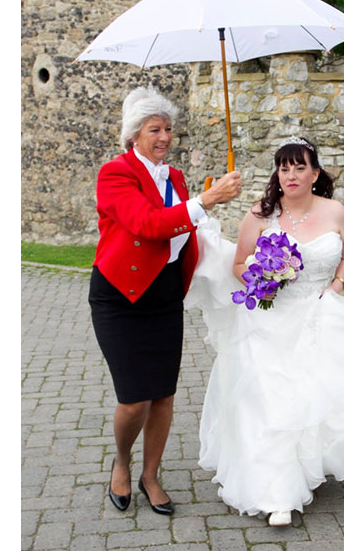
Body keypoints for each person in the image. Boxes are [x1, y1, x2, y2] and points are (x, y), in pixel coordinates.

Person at [185, 137, 344, 527]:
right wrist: (264, 281)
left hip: (321, 315)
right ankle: (278, 494)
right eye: (284, 168)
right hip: (270, 319)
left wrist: (338, 286)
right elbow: (240, 263)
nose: (290, 175)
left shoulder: (335, 211)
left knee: (314, 396)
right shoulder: (260, 214)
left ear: (315, 173)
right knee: (271, 400)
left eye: (299, 167)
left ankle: (306, 463)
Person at [89, 86, 242, 516]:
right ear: (133, 135)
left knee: (163, 396)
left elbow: (182, 228)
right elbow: (146, 224)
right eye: (154, 128)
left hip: (163, 295)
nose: (164, 137)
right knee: (134, 397)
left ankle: (150, 475)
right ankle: (122, 462)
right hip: (119, 295)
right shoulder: (114, 173)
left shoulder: (174, 176)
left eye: (169, 128)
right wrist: (204, 201)